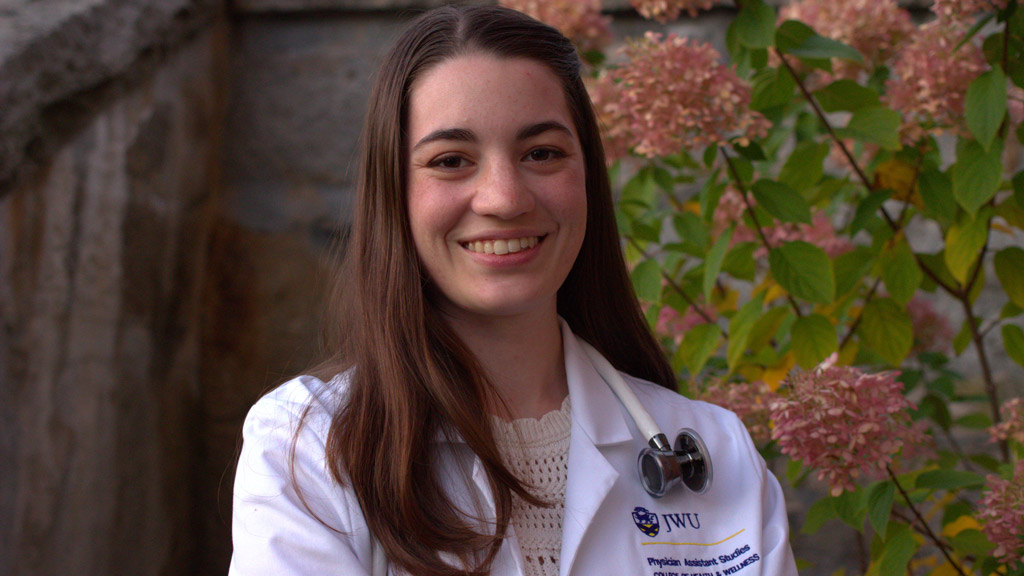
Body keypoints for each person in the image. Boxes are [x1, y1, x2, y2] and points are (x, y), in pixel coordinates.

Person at [228, 5, 797, 576]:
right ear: (394, 193)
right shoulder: (311, 451)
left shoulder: (716, 452)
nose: (504, 198)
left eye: (542, 153)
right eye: (451, 160)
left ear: (587, 177)